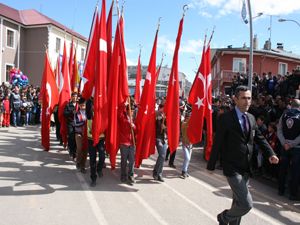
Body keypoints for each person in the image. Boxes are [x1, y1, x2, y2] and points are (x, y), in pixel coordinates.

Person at [207, 85, 279, 225]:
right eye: (243, 98)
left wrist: (271, 153)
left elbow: (260, 138)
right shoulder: (225, 118)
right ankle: (224, 217)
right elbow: (218, 142)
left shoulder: (251, 118)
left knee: (238, 201)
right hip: (232, 167)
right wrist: (211, 165)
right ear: (235, 99)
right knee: (246, 204)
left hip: (246, 167)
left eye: (249, 98)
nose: (247, 102)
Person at [277, 99, 300, 200]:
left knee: (283, 169)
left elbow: (279, 130)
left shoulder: (285, 114)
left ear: (291, 105)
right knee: (295, 171)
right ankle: (293, 194)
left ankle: (280, 190)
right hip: (297, 148)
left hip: (285, 146)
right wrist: (292, 143)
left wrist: (284, 143)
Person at [86, 98, 106, 187]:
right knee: (92, 160)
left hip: (101, 138)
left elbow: (104, 126)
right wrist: (93, 132)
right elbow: (88, 130)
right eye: (92, 105)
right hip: (91, 140)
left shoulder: (101, 115)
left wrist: (100, 130)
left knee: (102, 155)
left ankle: (99, 168)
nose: (94, 106)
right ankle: (93, 178)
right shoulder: (89, 116)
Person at [118, 102, 136, 184]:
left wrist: (134, 127)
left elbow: (137, 130)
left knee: (132, 160)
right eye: (130, 110)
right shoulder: (123, 117)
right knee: (124, 160)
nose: (131, 112)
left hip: (132, 142)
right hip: (124, 142)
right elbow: (119, 113)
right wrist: (123, 105)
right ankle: (123, 175)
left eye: (132, 110)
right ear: (127, 110)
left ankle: (131, 175)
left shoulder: (134, 119)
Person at [153, 104, 167, 182]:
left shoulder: (167, 116)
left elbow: (169, 128)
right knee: (161, 155)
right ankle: (157, 173)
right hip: (158, 138)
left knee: (163, 156)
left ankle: (158, 173)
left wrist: (165, 128)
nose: (163, 110)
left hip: (164, 138)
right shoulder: (156, 115)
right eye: (162, 108)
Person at [74, 98, 87, 174]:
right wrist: (83, 123)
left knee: (85, 150)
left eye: (84, 105)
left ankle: (83, 166)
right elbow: (76, 124)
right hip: (78, 133)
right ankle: (78, 162)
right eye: (81, 105)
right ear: (79, 105)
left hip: (86, 135)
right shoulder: (76, 113)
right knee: (80, 149)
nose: (83, 106)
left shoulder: (88, 113)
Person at [64, 92, 78, 159]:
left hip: (78, 124)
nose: (74, 98)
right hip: (70, 123)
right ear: (71, 97)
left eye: (76, 96)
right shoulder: (68, 105)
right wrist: (71, 112)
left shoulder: (79, 105)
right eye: (73, 96)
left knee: (76, 139)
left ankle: (75, 152)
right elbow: (65, 114)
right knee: (71, 137)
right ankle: (71, 151)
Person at [180, 112, 192, 179]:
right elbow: (187, 124)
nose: (189, 119)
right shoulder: (183, 124)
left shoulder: (192, 125)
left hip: (190, 144)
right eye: (187, 118)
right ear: (186, 118)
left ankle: (185, 171)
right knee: (187, 158)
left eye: (189, 117)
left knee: (188, 159)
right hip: (185, 144)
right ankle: (183, 172)